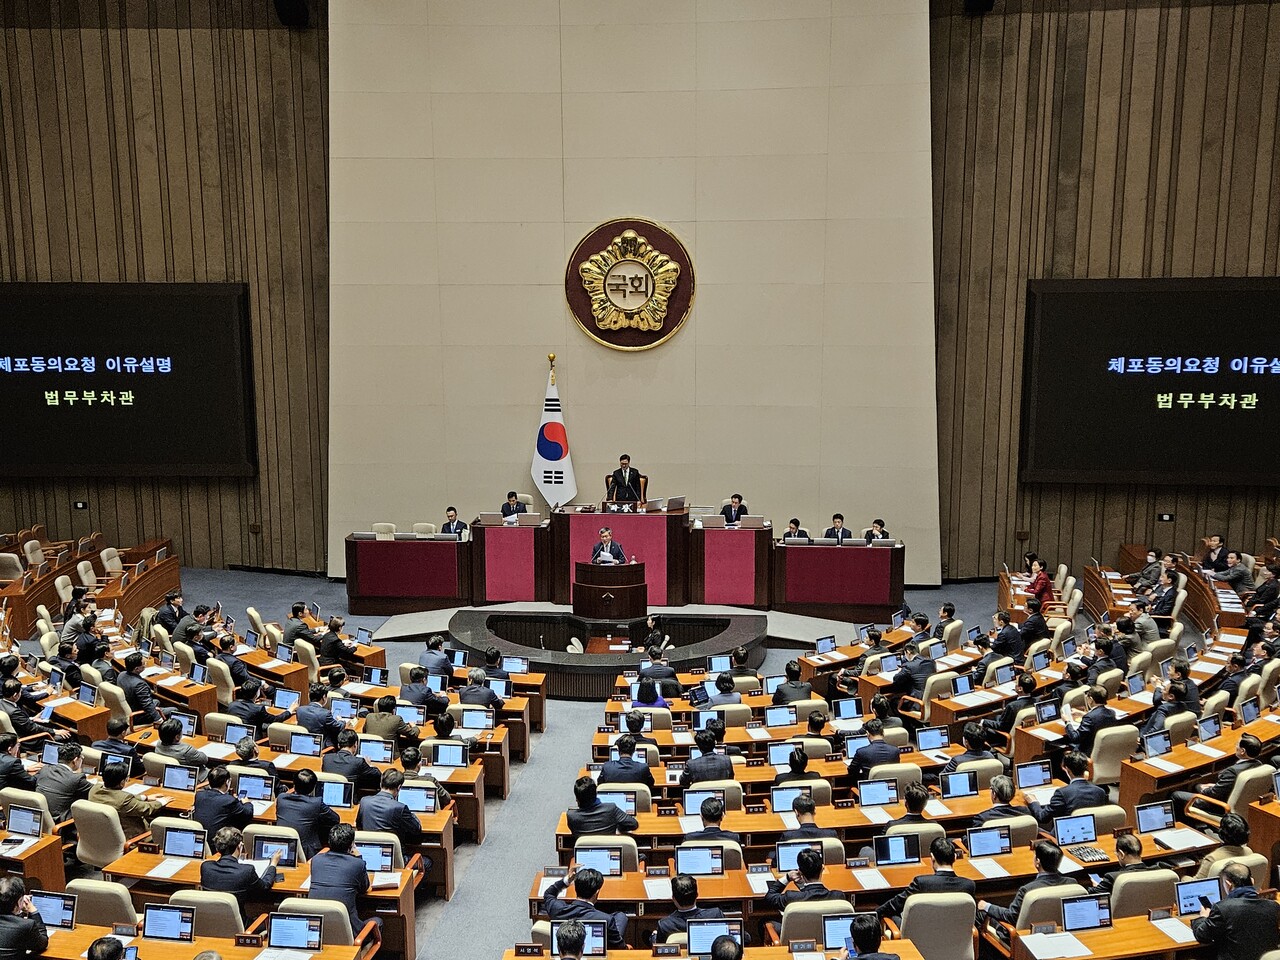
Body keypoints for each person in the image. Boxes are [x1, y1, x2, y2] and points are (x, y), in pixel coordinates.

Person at [1191, 860, 1280, 959]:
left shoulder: (1222, 908)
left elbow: (1202, 936)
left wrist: (1202, 917)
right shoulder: (1273, 906)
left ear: (1228, 884)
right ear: (1252, 881)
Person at [876, 837, 975, 924]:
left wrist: (874, 914)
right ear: (955, 857)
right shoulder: (969, 885)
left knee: (892, 915)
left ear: (932, 857)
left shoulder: (921, 883)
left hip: (919, 934)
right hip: (956, 935)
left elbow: (894, 905)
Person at [978, 840, 1075, 926]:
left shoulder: (1027, 890)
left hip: (1021, 934)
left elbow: (1011, 917)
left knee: (980, 914)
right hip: (1059, 928)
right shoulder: (1072, 884)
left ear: (1037, 861)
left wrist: (987, 906)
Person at [1173, 734, 1264, 822]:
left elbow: (1214, 794)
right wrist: (1214, 786)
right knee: (1196, 786)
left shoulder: (1232, 772)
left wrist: (1204, 789)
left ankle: (1186, 824)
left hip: (1220, 806)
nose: (1235, 746)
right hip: (1241, 801)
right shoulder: (1259, 764)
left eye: (1237, 744)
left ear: (1242, 751)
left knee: (1176, 795)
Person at [541, 865, 628, 948]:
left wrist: (567, 880)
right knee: (621, 916)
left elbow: (549, 894)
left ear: (576, 888)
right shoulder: (606, 919)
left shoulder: (557, 910)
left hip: (568, 950)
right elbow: (619, 947)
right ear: (597, 893)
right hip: (598, 954)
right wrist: (626, 947)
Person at [200, 826, 280, 916]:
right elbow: (265, 886)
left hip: (209, 919)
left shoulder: (205, 867)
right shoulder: (247, 870)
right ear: (239, 846)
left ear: (217, 848)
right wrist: (273, 864)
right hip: (239, 922)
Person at [309, 824, 373, 935]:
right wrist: (359, 857)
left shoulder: (316, 860)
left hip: (317, 931)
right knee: (378, 921)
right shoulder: (357, 864)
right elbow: (364, 888)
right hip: (348, 932)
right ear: (351, 845)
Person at [1026, 751, 1107, 825]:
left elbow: (1042, 817)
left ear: (1066, 769)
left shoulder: (1062, 793)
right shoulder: (1100, 792)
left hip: (1066, 833)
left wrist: (1033, 802)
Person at [88, 759, 164, 837]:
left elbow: (117, 796)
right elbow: (146, 809)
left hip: (100, 835)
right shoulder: (124, 799)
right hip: (131, 837)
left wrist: (144, 797)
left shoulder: (94, 789)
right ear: (122, 782)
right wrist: (161, 802)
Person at [275, 769, 340, 859]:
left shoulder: (281, 798)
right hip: (307, 853)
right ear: (313, 788)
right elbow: (335, 819)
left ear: (294, 785)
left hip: (280, 848)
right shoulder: (316, 802)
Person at [356, 769, 424, 846]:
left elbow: (359, 826)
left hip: (367, 847)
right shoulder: (400, 808)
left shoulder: (364, 801)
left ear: (380, 784)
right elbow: (416, 829)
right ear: (399, 787)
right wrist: (412, 815)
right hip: (394, 851)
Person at [764, 846, 844, 909]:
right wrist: (803, 887)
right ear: (822, 868)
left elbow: (770, 897)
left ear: (800, 872)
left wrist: (787, 877)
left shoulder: (791, 898)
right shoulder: (838, 897)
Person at [655, 874, 726, 944]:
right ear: (697, 895)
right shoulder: (716, 915)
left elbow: (660, 947)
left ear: (673, 898)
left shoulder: (665, 925)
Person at [1087, 833, 1160, 896]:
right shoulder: (1157, 871)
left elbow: (1092, 893)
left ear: (1122, 854)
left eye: (1117, 853)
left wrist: (1098, 886)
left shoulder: (1113, 878)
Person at [35, 742, 91, 821]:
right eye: (81, 757)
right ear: (75, 760)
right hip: (61, 823)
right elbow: (94, 792)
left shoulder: (45, 769)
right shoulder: (76, 778)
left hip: (40, 817)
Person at [0, 678, 69, 742]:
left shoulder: (2, 702)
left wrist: (32, 719)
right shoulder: (14, 712)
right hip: (28, 740)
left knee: (49, 724)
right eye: (20, 692)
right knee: (66, 735)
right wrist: (54, 731)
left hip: (21, 730)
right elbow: (33, 728)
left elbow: (20, 722)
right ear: (15, 695)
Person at [567, 776, 638, 836]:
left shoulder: (572, 816)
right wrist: (617, 825)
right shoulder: (611, 809)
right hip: (609, 846)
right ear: (596, 793)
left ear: (577, 799)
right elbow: (633, 824)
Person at [194, 765, 253, 835]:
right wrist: (247, 803)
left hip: (202, 836)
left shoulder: (199, 795)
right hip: (219, 839)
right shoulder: (229, 800)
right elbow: (247, 814)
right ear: (227, 782)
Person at [1062, 685, 1119, 755]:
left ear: (1091, 699)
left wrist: (1067, 722)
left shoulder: (1089, 718)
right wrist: (1083, 714)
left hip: (1088, 752)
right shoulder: (1111, 713)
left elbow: (1075, 738)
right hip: (1104, 749)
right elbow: (1098, 717)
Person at [0, 875, 47, 960]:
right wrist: (32, 910)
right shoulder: (26, 925)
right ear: (19, 902)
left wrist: (19, 909)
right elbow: (42, 943)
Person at [1193, 812, 1253, 879]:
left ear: (1221, 833)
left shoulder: (1212, 858)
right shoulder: (1249, 852)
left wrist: (1185, 877)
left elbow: (1197, 882)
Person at [118, 652, 170, 724]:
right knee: (174, 710)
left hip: (130, 705)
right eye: (143, 664)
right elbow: (147, 704)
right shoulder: (139, 684)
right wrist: (158, 719)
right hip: (137, 715)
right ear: (137, 669)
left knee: (157, 701)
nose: (145, 664)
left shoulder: (121, 674)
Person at [227, 678, 295, 733]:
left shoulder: (232, 705)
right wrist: (289, 711)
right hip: (254, 738)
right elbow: (275, 719)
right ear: (257, 694)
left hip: (237, 732)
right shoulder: (258, 709)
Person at [981, 672, 1037, 736]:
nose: (1015, 684)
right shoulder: (1037, 701)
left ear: (1020, 689)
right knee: (996, 716)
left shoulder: (1012, 706)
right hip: (1025, 732)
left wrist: (983, 721)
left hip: (1006, 736)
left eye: (1016, 683)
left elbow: (1002, 727)